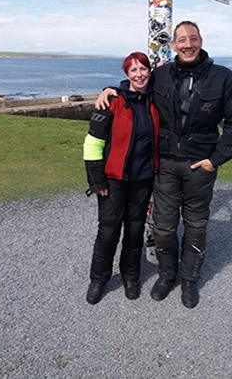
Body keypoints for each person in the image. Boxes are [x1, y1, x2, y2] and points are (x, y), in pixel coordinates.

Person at [96, 21, 232, 308]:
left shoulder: (224, 78)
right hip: (165, 163)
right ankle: (167, 274)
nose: (188, 44)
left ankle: (189, 279)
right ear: (174, 45)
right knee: (163, 228)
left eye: (193, 38)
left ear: (201, 40)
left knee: (196, 224)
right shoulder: (161, 75)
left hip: (200, 165)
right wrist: (109, 89)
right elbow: (134, 86)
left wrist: (216, 159)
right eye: (182, 40)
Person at [82, 52, 160, 304]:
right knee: (108, 231)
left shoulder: (155, 101)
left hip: (143, 179)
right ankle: (99, 279)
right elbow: (93, 143)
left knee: (135, 231)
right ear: (126, 75)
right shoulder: (112, 101)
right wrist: (97, 181)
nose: (139, 74)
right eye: (133, 70)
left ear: (150, 71)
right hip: (113, 181)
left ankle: (131, 276)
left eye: (143, 69)